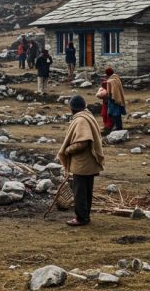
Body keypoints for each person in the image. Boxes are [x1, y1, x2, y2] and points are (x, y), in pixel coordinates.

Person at [57, 96, 105, 227]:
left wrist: (67, 150)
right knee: (87, 191)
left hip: (82, 163)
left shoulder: (81, 120)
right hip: (88, 163)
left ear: (73, 109)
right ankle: (85, 216)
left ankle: (81, 218)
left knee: (80, 192)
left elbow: (82, 142)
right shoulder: (88, 116)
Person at [104, 67, 127, 132]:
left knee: (112, 114)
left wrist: (107, 99)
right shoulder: (117, 79)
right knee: (118, 114)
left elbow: (110, 93)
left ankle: (117, 128)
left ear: (107, 74)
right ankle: (119, 127)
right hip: (119, 99)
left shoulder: (109, 81)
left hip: (113, 100)